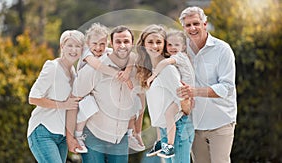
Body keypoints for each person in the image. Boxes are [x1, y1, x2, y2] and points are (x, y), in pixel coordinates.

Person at [66, 25, 145, 163]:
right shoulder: (94, 68)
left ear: (132, 44)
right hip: (93, 137)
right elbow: (74, 98)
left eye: (126, 41)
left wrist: (137, 132)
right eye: (118, 42)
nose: (122, 45)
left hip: (120, 138)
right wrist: (70, 137)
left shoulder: (136, 71)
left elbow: (141, 101)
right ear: (112, 44)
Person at [177, 6, 237, 163]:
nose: (193, 28)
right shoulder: (181, 51)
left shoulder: (222, 49)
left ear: (205, 24)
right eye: (188, 25)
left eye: (196, 23)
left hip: (221, 120)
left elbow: (227, 88)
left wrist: (195, 92)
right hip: (194, 123)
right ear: (183, 28)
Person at [136, 24, 192, 162]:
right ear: (143, 44)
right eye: (150, 42)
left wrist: (185, 112)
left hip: (178, 128)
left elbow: (182, 98)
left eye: (159, 42)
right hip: (164, 130)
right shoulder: (148, 71)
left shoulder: (168, 69)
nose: (155, 46)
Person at [27, 30, 84, 163]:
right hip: (43, 131)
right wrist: (63, 104)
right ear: (62, 47)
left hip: (61, 136)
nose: (73, 50)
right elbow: (33, 98)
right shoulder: (52, 67)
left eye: (78, 46)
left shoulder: (74, 73)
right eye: (70, 45)